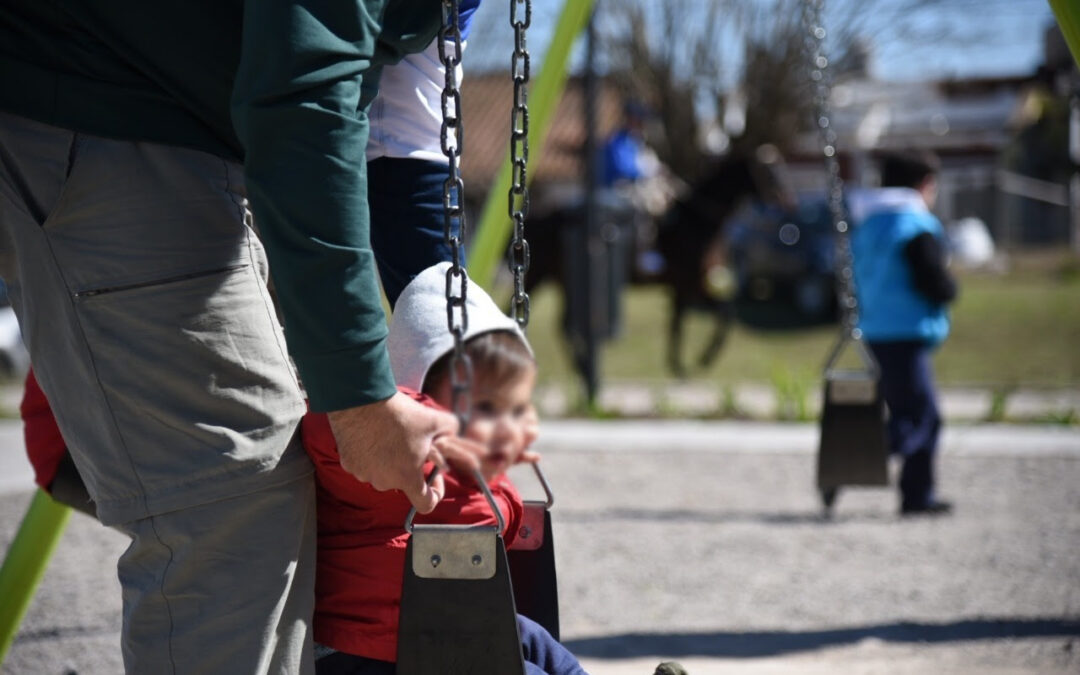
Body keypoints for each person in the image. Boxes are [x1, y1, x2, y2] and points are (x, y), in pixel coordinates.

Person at [0, 2, 461, 672]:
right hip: (103, 103)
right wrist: (359, 391)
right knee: (235, 500)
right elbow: (305, 98)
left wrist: (445, 334)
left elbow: (399, 121)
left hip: (163, 114)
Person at [301, 262, 587, 675]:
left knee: (537, 642)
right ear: (417, 399)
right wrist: (389, 414)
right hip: (362, 655)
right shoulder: (376, 456)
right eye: (484, 408)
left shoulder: (482, 477)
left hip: (451, 636)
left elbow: (495, 519)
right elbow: (322, 428)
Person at [849, 150, 958, 516]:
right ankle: (853, 461)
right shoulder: (914, 226)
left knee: (913, 414)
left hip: (876, 330)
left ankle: (917, 495)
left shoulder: (868, 226)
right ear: (923, 186)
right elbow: (933, 281)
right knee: (920, 417)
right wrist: (949, 289)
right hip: (906, 331)